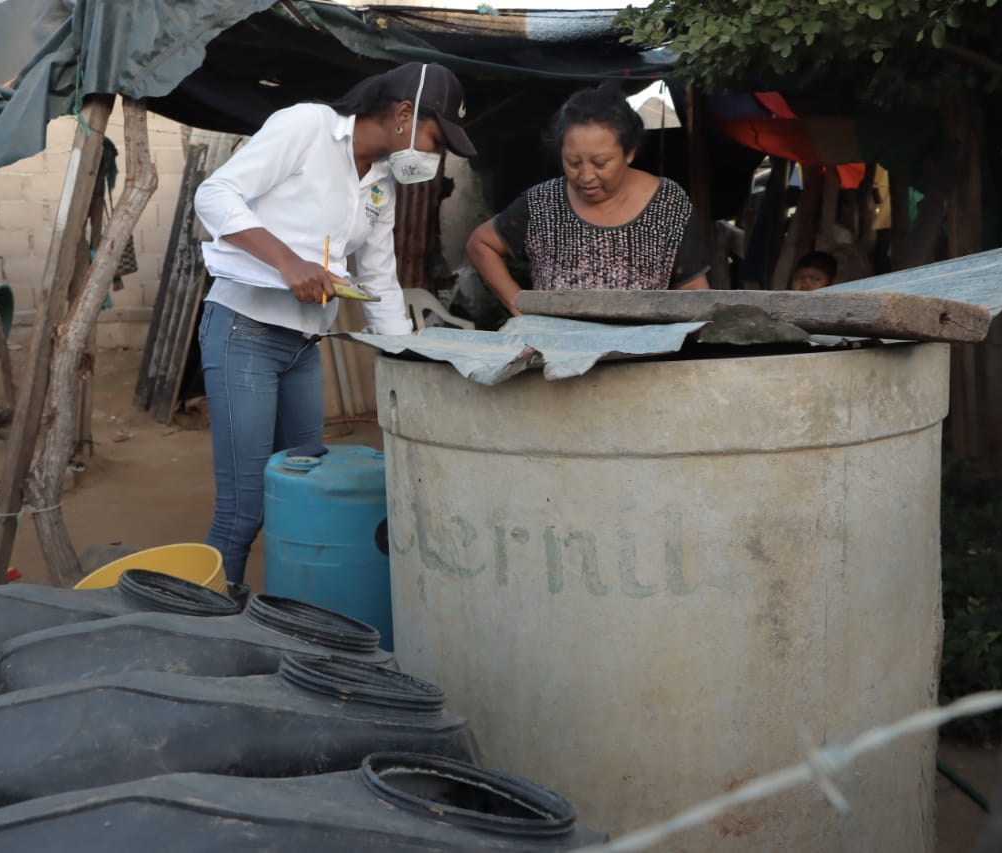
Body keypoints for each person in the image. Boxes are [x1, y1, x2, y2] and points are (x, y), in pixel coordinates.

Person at [192, 62, 477, 585]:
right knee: (243, 509)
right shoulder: (306, 127)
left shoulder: (382, 182)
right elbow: (213, 196)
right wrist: (288, 262)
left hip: (304, 345)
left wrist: (411, 365)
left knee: (306, 484)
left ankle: (291, 614)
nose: (436, 157)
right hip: (243, 332)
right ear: (404, 114)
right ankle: (209, 620)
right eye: (437, 140)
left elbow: (381, 281)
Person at [466, 83, 708, 317]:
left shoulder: (667, 202)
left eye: (601, 163)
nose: (586, 176)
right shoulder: (543, 203)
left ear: (630, 152)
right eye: (573, 163)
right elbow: (481, 245)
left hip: (644, 353)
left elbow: (693, 290)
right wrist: (519, 306)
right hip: (559, 351)